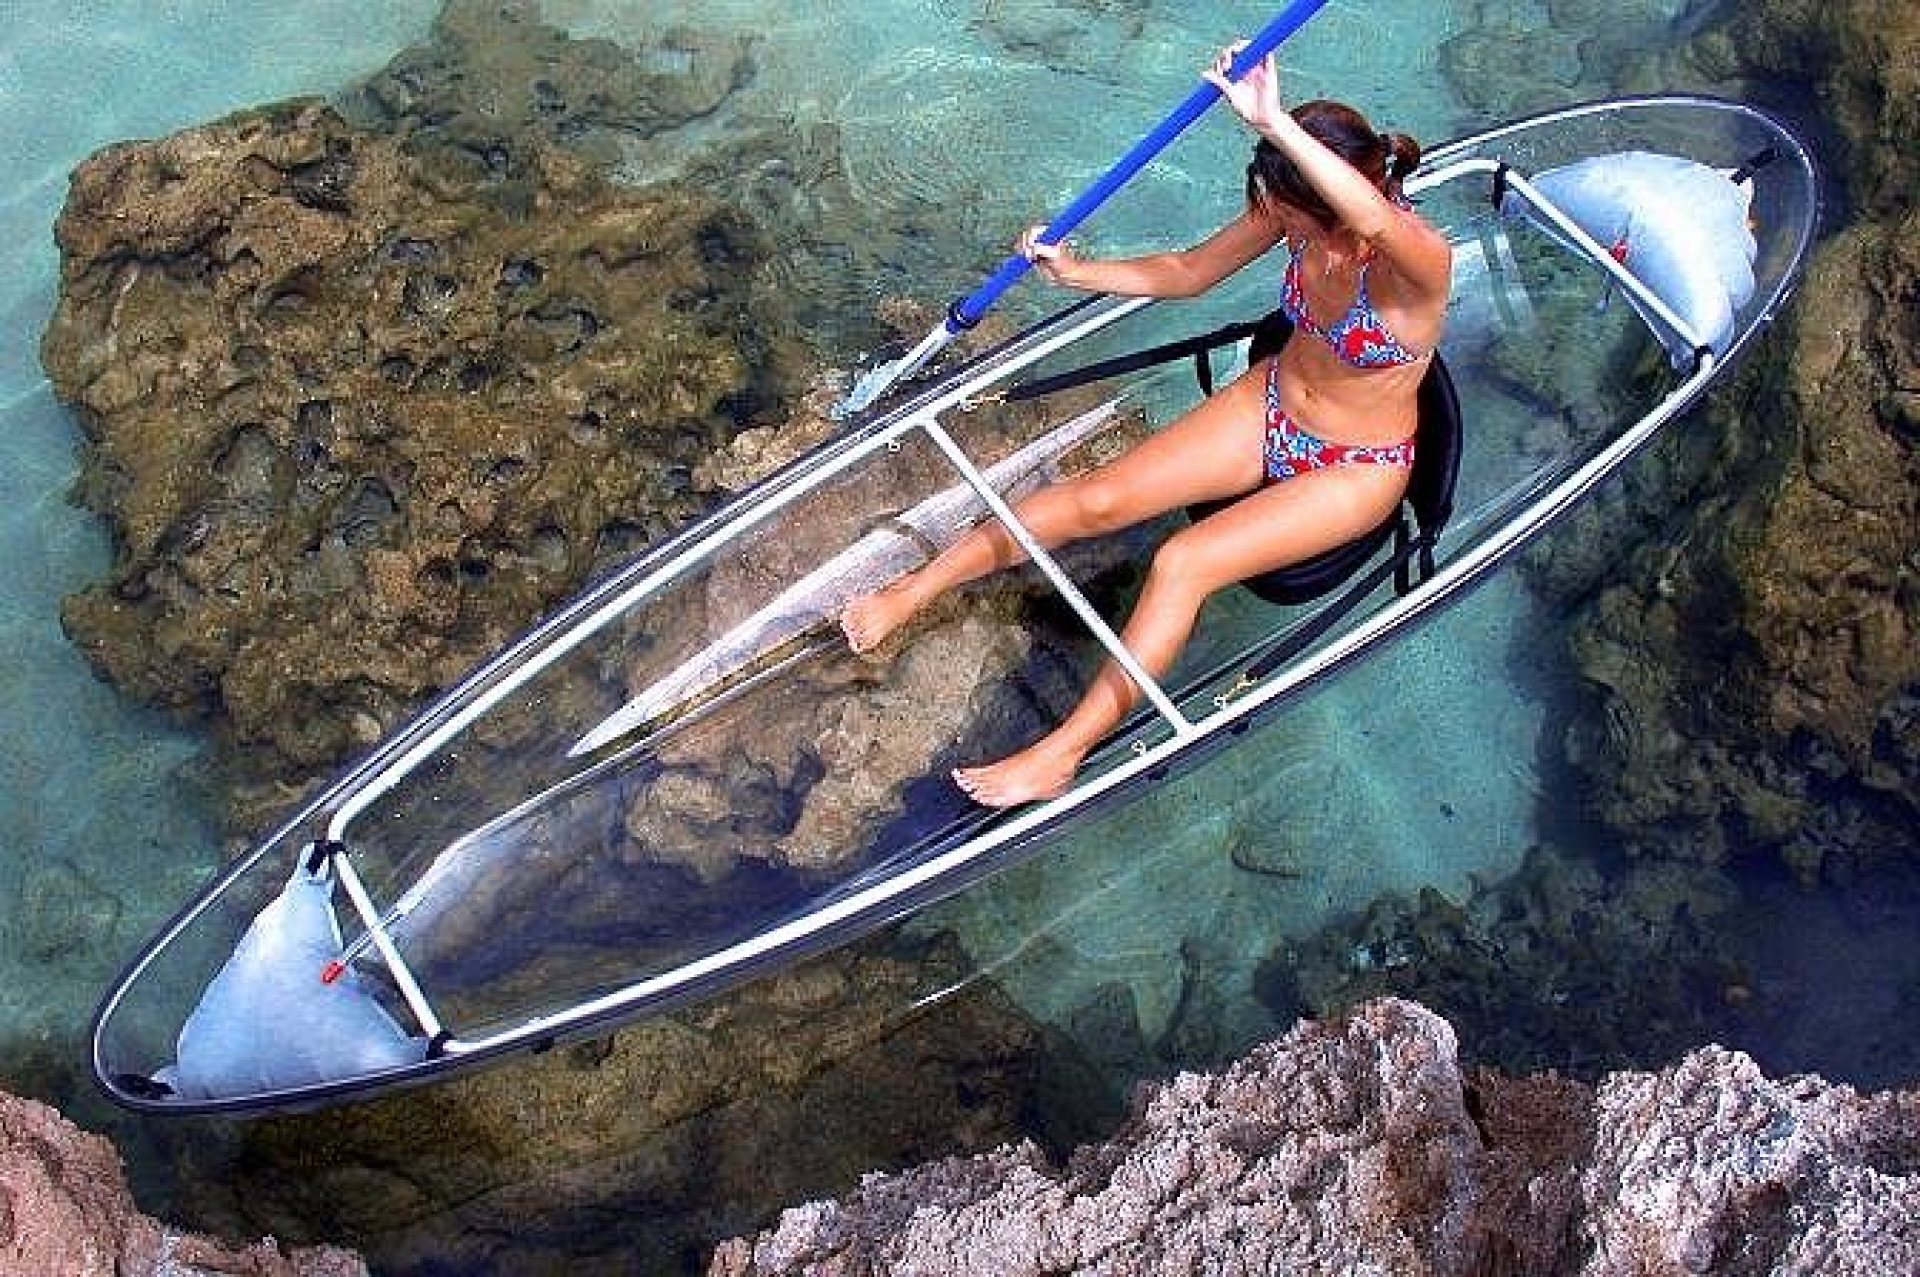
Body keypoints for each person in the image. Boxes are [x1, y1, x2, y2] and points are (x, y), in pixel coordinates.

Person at [840, 42, 1453, 808]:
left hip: (1355, 466)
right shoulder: (1295, 215)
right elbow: (1190, 271)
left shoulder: (1418, 264)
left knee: (1182, 561)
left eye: (1293, 218)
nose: (1280, 230)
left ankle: (1061, 753)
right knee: (1095, 499)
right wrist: (1075, 271)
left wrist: (1273, 121)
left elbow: (1367, 214)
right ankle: (916, 585)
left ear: (1335, 199)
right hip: (1270, 404)